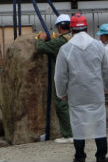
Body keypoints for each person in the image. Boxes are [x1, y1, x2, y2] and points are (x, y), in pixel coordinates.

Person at [54, 13, 108, 162]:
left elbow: (60, 76)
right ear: (86, 28)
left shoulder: (66, 49)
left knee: (78, 126)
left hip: (76, 95)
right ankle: (101, 156)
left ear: (71, 29)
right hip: (96, 93)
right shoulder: (98, 46)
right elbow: (107, 70)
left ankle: (80, 156)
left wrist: (61, 92)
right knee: (99, 124)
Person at [35, 14, 74, 143]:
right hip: (75, 75)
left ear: (59, 27)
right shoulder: (72, 38)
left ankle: (69, 135)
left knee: (61, 105)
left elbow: (40, 48)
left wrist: (41, 38)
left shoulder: (59, 42)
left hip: (63, 77)